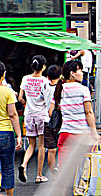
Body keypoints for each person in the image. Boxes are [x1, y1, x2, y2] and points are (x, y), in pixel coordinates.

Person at [49, 61, 98, 167]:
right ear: (72, 73)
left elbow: (51, 111)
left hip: (65, 134)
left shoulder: (59, 90)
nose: (82, 73)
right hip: (82, 134)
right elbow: (88, 112)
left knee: (65, 171)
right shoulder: (84, 90)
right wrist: (94, 132)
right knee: (83, 171)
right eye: (79, 70)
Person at [18, 55, 49, 183]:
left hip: (29, 114)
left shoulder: (25, 79)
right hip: (41, 115)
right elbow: (47, 101)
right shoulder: (45, 81)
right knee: (41, 145)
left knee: (31, 144)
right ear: (43, 67)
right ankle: (39, 175)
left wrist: (26, 103)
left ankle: (24, 164)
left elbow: (20, 98)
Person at [0, 61, 22, 196]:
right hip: (6, 133)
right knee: (8, 167)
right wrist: (19, 135)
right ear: (3, 75)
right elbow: (13, 114)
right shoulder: (8, 91)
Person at [41, 65, 62, 172]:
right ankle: (59, 167)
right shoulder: (61, 88)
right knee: (62, 148)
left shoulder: (45, 86)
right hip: (59, 121)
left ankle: (53, 175)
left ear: (48, 77)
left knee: (51, 150)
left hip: (47, 121)